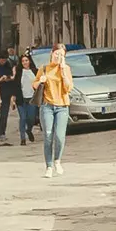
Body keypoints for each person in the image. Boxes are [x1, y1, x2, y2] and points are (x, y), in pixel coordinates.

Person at [37, 43, 73, 176]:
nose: (58, 57)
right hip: (47, 106)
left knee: (59, 136)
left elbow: (68, 88)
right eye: (57, 54)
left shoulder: (66, 69)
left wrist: (63, 72)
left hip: (62, 106)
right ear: (52, 54)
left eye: (62, 55)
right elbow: (34, 85)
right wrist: (41, 81)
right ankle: (49, 166)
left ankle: (57, 160)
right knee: (47, 135)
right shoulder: (44, 68)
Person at [0, 48, 18, 143]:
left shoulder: (10, 64)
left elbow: (13, 77)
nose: (3, 61)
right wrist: (0, 79)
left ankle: (2, 133)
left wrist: (7, 78)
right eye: (1, 59)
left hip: (7, 92)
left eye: (4, 59)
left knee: (4, 114)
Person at [18, 49, 40, 145]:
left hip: (32, 98)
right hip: (21, 99)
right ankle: (22, 138)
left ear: (29, 61)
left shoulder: (35, 71)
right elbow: (15, 85)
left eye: (26, 60)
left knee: (31, 118)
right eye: (23, 61)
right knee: (23, 118)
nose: (25, 62)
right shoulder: (19, 72)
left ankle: (29, 130)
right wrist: (13, 97)